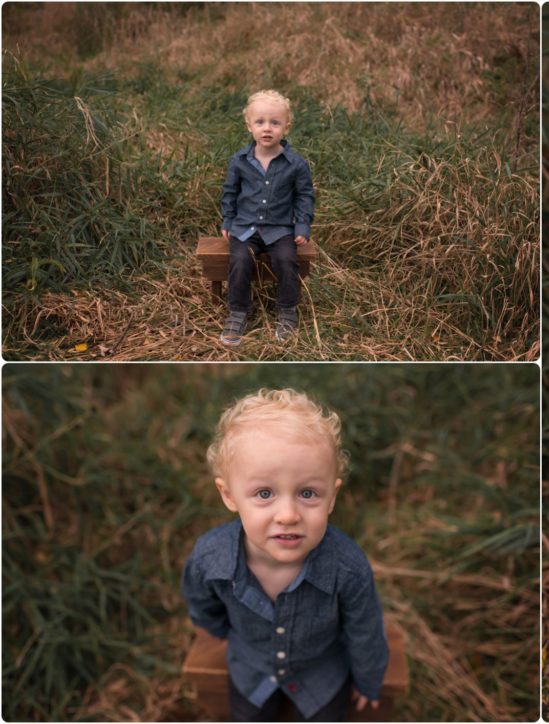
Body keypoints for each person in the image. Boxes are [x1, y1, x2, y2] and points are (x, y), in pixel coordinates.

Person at [183, 389, 387, 721]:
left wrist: (368, 681)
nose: (288, 514)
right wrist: (221, 632)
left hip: (321, 672)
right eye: (264, 493)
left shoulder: (346, 567)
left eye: (308, 493)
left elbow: (365, 630)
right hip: (251, 668)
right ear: (229, 494)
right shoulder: (212, 557)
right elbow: (201, 602)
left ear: (331, 497)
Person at [219, 90, 315, 345]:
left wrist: (302, 225)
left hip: (279, 228)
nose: (267, 128)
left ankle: (287, 311)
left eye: (275, 122)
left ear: (286, 126)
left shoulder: (295, 164)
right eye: (260, 122)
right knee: (239, 260)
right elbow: (230, 193)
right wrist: (227, 221)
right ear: (249, 125)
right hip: (245, 227)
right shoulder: (239, 161)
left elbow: (304, 196)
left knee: (286, 259)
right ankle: (238, 311)